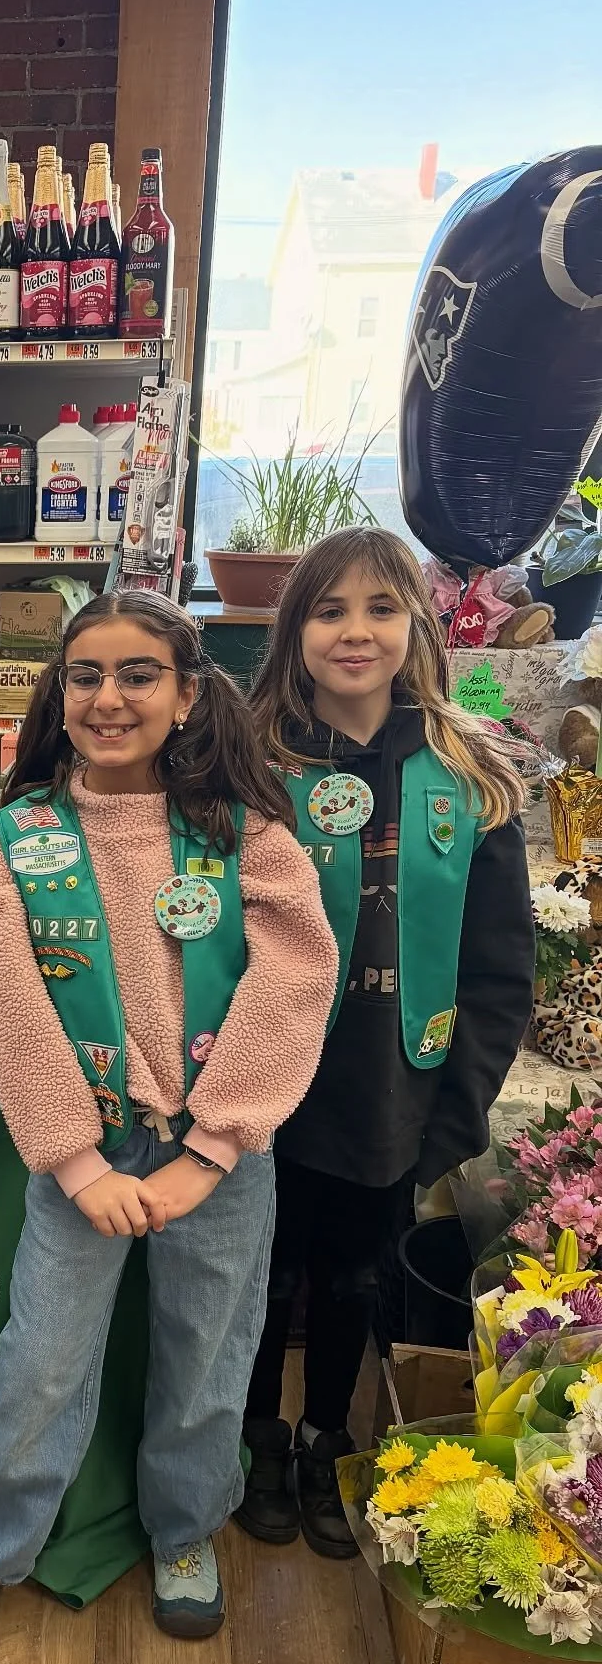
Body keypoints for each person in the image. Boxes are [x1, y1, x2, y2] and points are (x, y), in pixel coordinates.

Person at [0, 590, 338, 1664]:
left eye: (138, 674)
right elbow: (9, 1007)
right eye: (85, 675)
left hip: (218, 1160)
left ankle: (185, 1532)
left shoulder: (246, 836)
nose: (108, 697)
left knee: (206, 1356)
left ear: (188, 694)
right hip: (82, 1156)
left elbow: (292, 987)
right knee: (42, 1361)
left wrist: (213, 1147)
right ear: (60, 694)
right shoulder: (21, 836)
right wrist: (77, 1160)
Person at [235, 527, 533, 1558]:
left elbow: (500, 971)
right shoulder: (248, 762)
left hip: (392, 1088)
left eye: (378, 609)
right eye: (328, 610)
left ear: (416, 627)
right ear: (294, 632)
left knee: (357, 1274)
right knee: (261, 1270)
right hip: (261, 1081)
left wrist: (455, 1113)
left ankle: (327, 1442)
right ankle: (255, 1436)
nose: (354, 632)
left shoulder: (469, 774)